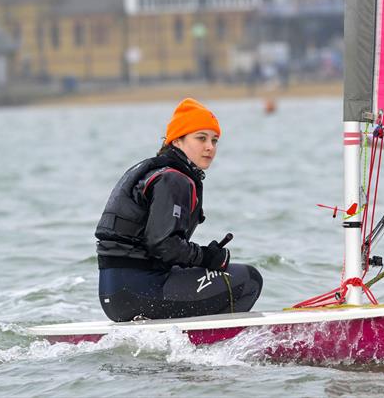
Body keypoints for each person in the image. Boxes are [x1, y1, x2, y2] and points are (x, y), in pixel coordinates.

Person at [95, 98, 262, 322]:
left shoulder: (155, 171)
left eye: (214, 140)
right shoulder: (174, 179)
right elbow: (163, 245)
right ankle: (217, 348)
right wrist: (207, 257)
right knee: (249, 279)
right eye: (201, 138)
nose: (210, 147)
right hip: (140, 291)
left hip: (114, 295)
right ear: (177, 141)